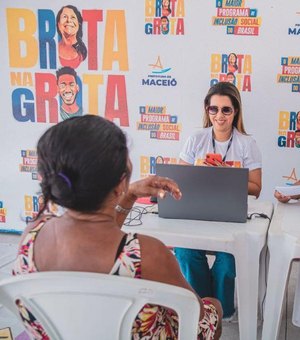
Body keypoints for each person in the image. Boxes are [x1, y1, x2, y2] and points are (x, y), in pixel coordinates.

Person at [13, 115, 222, 339]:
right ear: (121, 181)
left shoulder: (31, 237)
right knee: (213, 307)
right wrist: (212, 310)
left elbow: (96, 234)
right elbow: (196, 316)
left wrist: (128, 195)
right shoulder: (148, 254)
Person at [174, 82, 262, 319]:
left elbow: (256, 188)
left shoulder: (247, 143)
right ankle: (203, 308)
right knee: (184, 252)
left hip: (231, 215)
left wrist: (227, 176)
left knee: (227, 260)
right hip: (199, 212)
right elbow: (180, 180)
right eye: (214, 109)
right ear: (207, 110)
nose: (219, 116)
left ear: (235, 112)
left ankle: (222, 312)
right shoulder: (196, 139)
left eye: (226, 110)